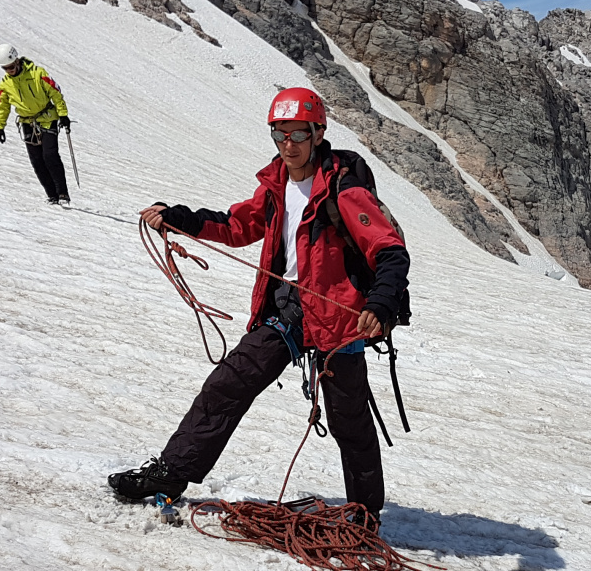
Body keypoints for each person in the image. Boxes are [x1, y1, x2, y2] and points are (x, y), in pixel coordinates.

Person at [109, 87, 411, 527]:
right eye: (279, 135)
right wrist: (180, 218)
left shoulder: (343, 188)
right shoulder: (276, 183)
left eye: (298, 134)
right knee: (227, 385)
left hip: (339, 317)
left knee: (350, 422)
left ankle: (363, 515)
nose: (288, 145)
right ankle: (170, 475)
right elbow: (237, 225)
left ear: (318, 133)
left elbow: (389, 250)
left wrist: (381, 302)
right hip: (287, 309)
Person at [0, 43, 73, 205]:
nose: (9, 71)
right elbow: (3, 106)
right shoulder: (5, 84)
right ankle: (52, 196)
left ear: (17, 61)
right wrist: (0, 126)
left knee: (50, 155)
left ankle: (62, 193)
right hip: (27, 122)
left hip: (47, 118)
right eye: (5, 68)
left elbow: (55, 93)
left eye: (11, 67)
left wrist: (63, 114)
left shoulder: (38, 74)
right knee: (37, 161)